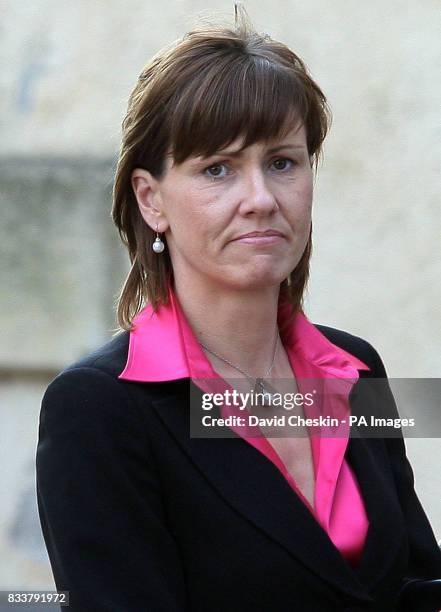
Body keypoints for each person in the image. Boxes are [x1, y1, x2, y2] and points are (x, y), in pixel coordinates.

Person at [36, 10, 441, 612]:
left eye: (282, 162)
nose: (260, 199)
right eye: (217, 169)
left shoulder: (356, 368)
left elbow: (411, 585)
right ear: (152, 200)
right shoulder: (97, 409)